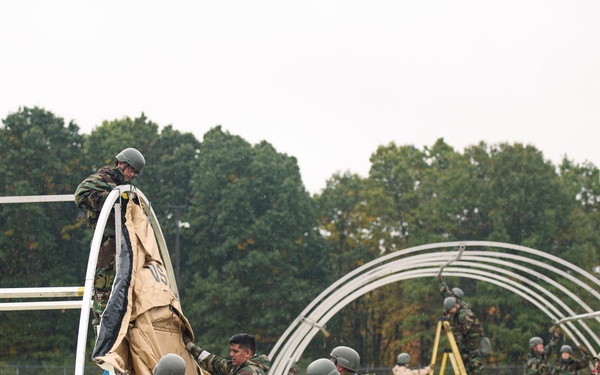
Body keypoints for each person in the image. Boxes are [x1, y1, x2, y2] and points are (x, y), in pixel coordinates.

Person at [74, 147, 145, 331]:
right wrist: (112, 200)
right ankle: (102, 326)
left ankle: (121, 323)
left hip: (122, 242)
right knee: (103, 284)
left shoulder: (123, 188)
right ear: (121, 163)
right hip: (106, 241)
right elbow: (80, 195)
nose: (131, 174)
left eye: (135, 173)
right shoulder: (104, 179)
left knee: (126, 282)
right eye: (130, 169)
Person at [186, 333, 271, 375]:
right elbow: (215, 363)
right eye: (231, 350)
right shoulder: (238, 367)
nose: (231, 354)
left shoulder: (248, 372)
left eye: (235, 351)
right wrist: (193, 348)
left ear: (247, 353)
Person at [443, 297, 484, 375]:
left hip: (473, 341)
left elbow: (465, 330)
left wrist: (452, 328)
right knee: (466, 362)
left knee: (475, 365)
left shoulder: (464, 314)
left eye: (450, 310)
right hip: (467, 341)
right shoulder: (458, 313)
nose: (450, 312)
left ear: (454, 306)